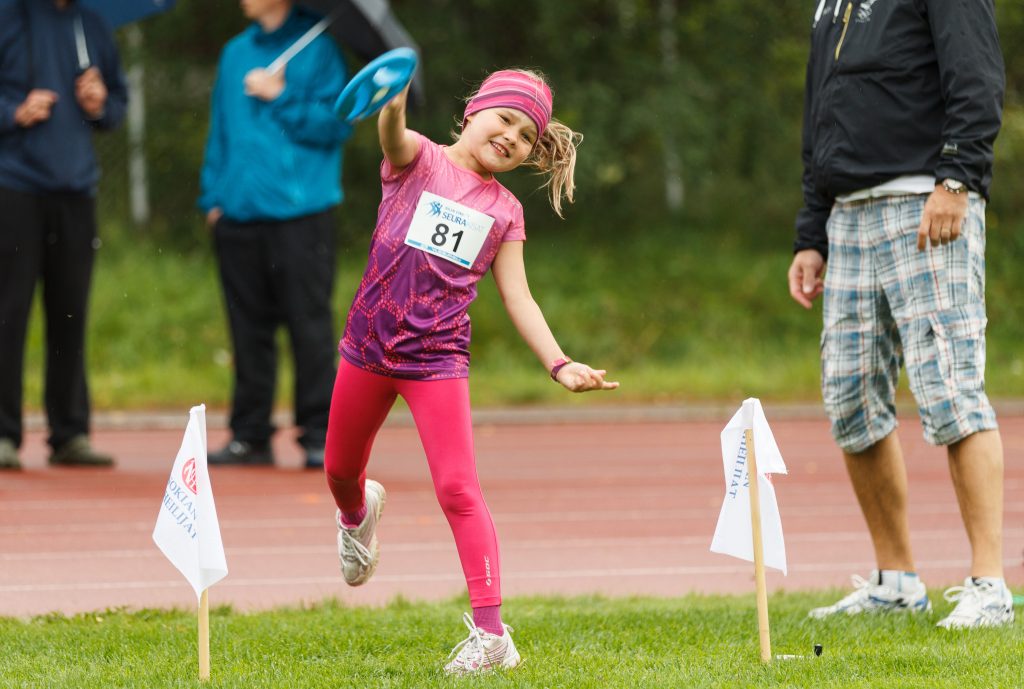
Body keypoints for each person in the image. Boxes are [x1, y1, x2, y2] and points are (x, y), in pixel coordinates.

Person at [324, 70, 618, 673]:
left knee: (459, 488)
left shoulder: (506, 211)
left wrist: (559, 364)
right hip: (367, 349)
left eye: (526, 135)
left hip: (437, 362)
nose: (511, 137)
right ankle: (357, 518)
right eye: (504, 119)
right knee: (338, 471)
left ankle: (492, 636)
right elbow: (392, 133)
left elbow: (520, 298)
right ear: (472, 112)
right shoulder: (419, 160)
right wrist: (393, 95)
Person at [788, 0, 1011, 629]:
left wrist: (958, 179)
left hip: (924, 201)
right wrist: (811, 232)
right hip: (846, 213)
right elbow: (819, 116)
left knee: (951, 387)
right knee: (851, 397)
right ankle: (895, 581)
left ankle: (989, 585)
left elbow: (977, 77)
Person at [198, 0, 353, 470]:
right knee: (247, 328)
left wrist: (281, 96)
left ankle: (320, 436)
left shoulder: (320, 48)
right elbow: (220, 130)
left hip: (300, 215)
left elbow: (337, 125)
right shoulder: (234, 53)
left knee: (309, 326)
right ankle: (250, 435)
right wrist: (213, 198)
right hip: (238, 215)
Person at [0, 0, 127, 471]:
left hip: (77, 189)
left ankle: (70, 433)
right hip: (14, 187)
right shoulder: (7, 16)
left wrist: (100, 105)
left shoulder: (92, 23)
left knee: (70, 313)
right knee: (8, 311)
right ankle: (3, 434)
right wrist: (14, 111)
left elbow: (118, 105)